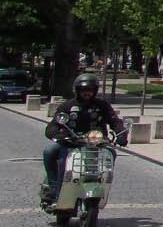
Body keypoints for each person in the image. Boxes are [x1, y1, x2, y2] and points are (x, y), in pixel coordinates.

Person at [42, 72, 123, 205]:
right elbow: (53, 125)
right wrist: (58, 135)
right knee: (49, 152)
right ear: (77, 90)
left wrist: (121, 134)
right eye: (84, 90)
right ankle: (54, 187)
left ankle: (102, 181)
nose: (87, 93)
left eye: (90, 90)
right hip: (70, 143)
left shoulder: (102, 106)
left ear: (95, 91)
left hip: (97, 144)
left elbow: (115, 121)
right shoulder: (67, 106)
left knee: (111, 153)